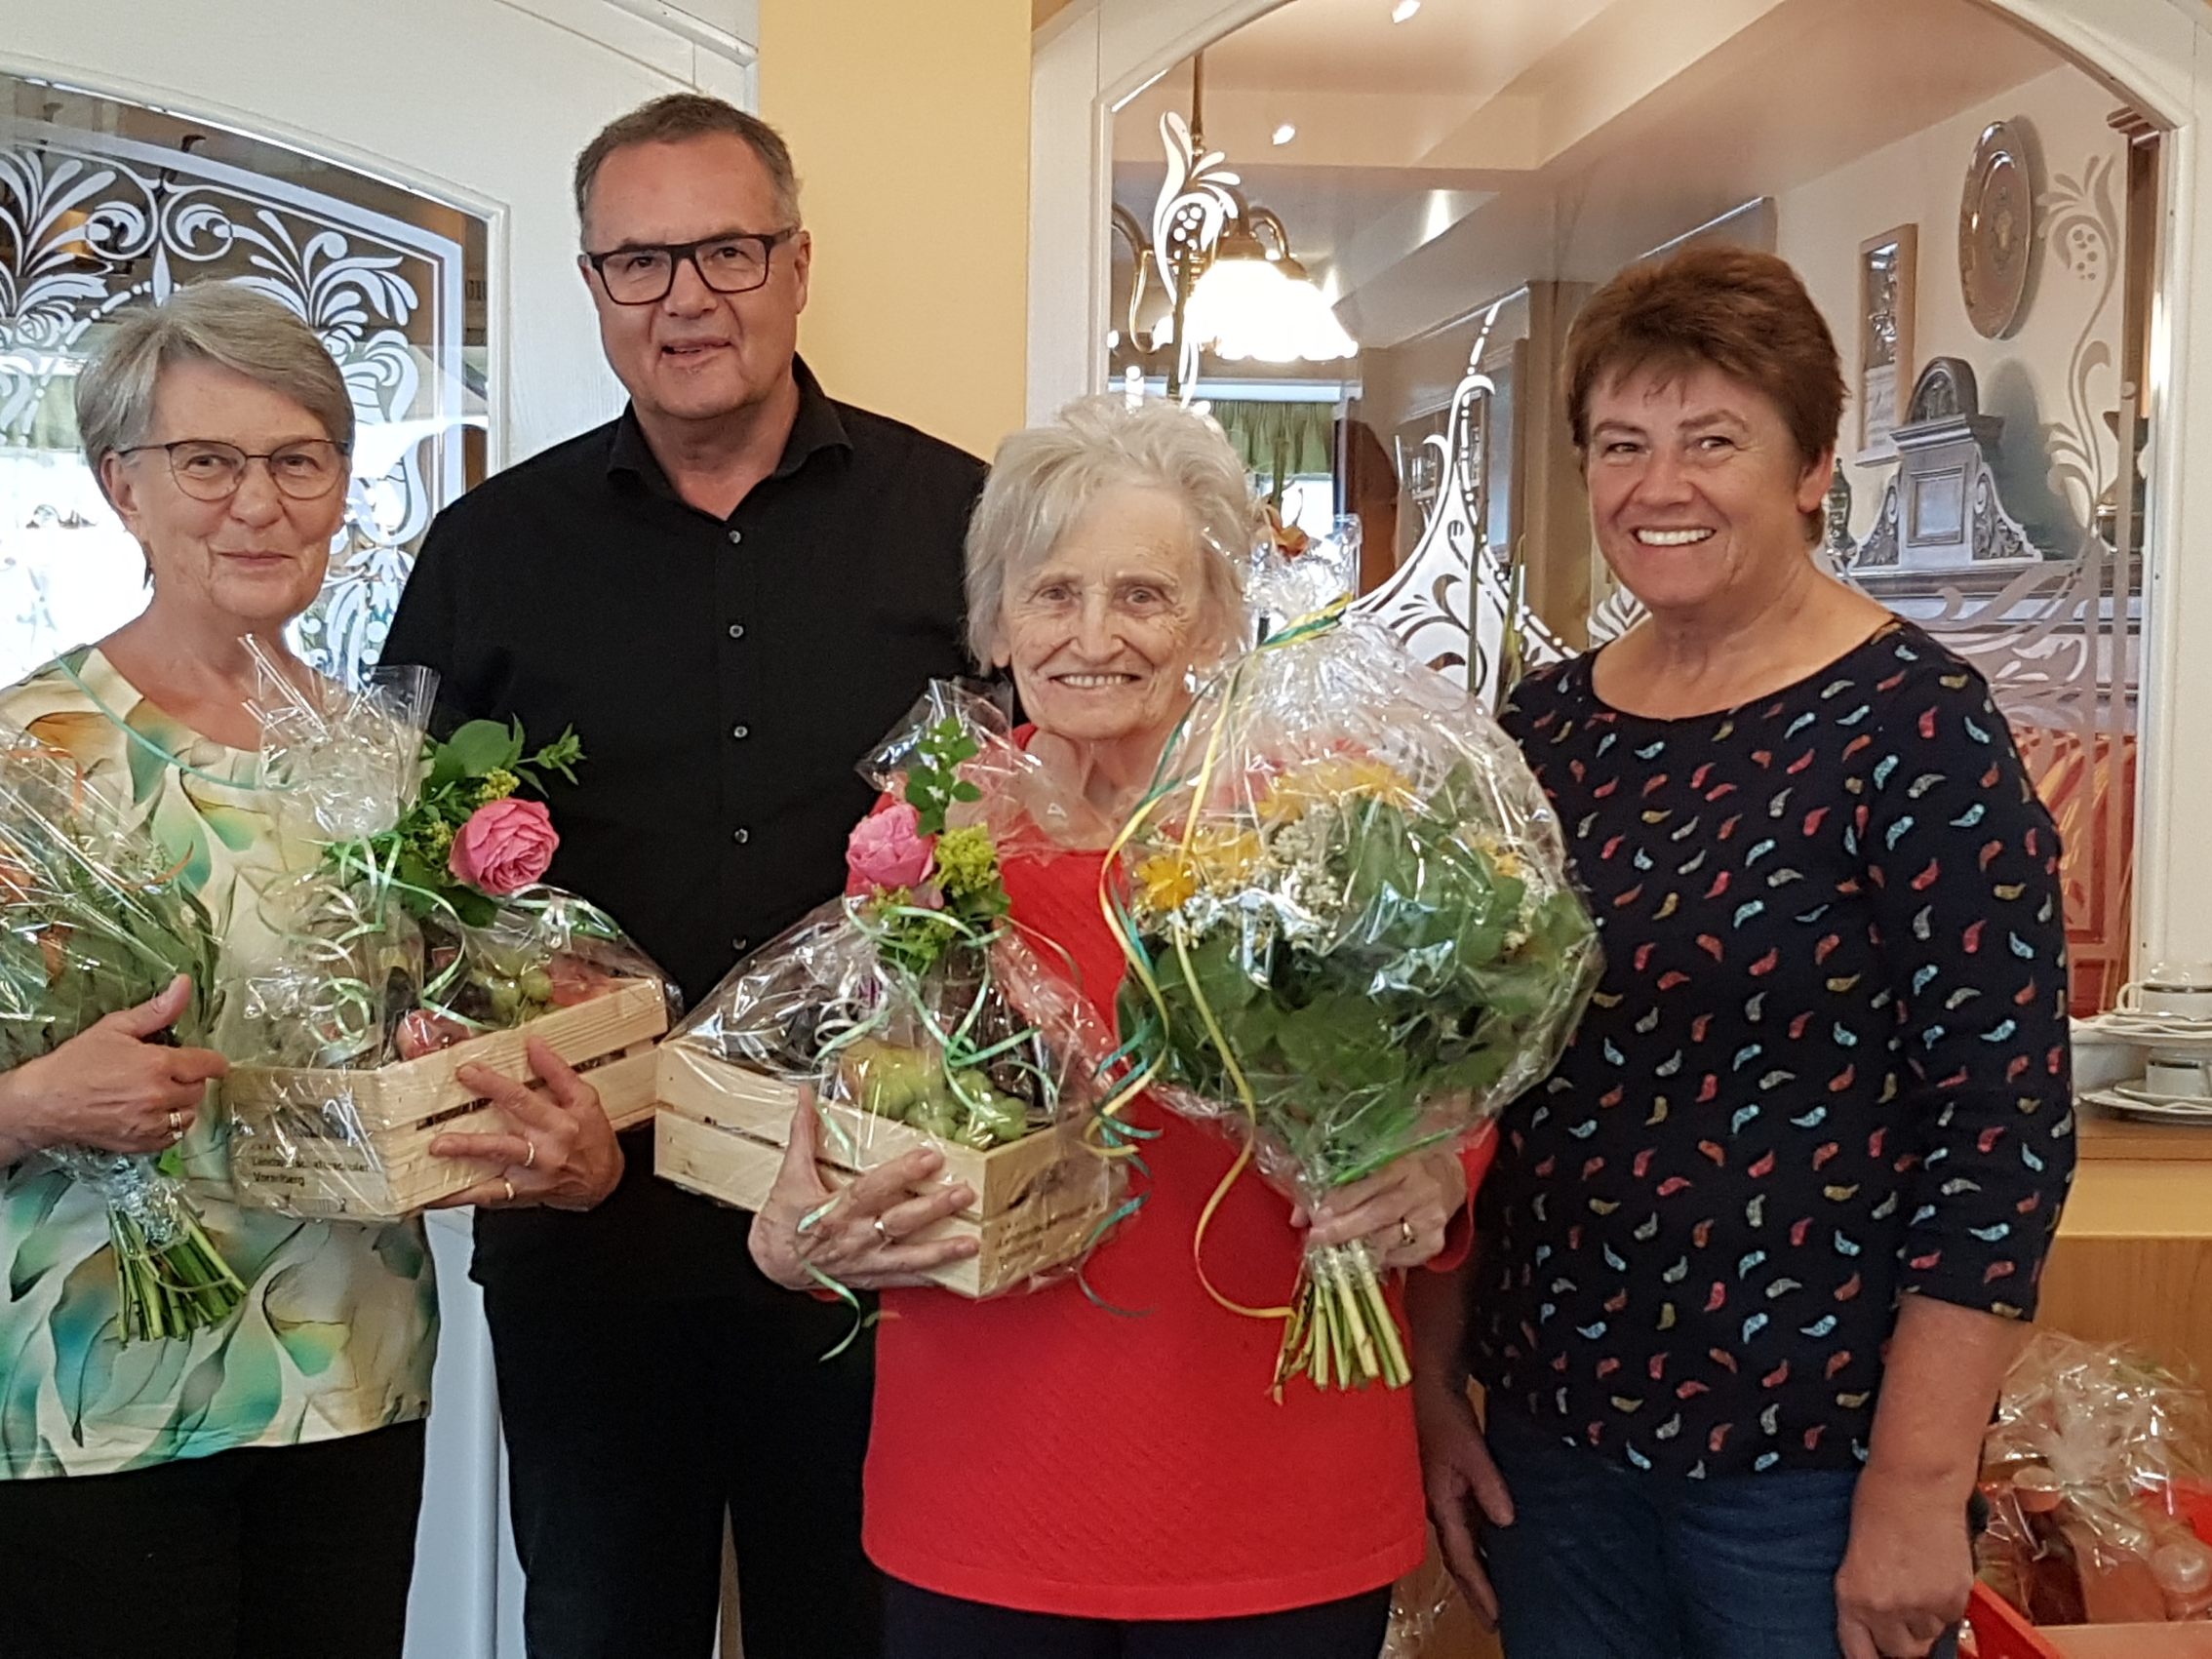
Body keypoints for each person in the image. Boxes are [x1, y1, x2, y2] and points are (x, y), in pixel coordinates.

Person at [378, 94, 986, 1659]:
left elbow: (1046, 840)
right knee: (597, 1627)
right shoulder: (488, 550)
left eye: (724, 248)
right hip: (589, 1225)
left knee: (860, 1631)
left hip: (873, 1215)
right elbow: (401, 892)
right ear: (590, 286)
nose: (686, 297)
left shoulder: (965, 522)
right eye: (639, 260)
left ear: (795, 265)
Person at [744, 395, 1491, 1659]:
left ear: (1214, 618)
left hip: (1275, 1493)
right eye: (1053, 593)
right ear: (995, 618)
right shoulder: (930, 832)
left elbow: (1452, 1089)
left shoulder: (1317, 823)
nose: (1094, 636)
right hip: (980, 1494)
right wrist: (795, 1225)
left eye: (1143, 595)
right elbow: (849, 1111)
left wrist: (1432, 1171)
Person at [1408, 247, 2076, 1659]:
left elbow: (2003, 1131)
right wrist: (1439, 1380)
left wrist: (1918, 1484)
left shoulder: (1919, 728)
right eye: (1622, 444)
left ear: (1814, 464)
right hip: (1558, 1441)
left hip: (1811, 1467)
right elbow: (1467, 1086)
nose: (1662, 486)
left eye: (1714, 440)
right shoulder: (1546, 731)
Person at [0, 283, 450, 1659]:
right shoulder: (34, 749)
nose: (257, 501)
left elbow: (422, 1018)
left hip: (348, 1369)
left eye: (298, 458)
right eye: (209, 461)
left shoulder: (393, 756)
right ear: (121, 485)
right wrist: (29, 1107)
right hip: (97, 1396)